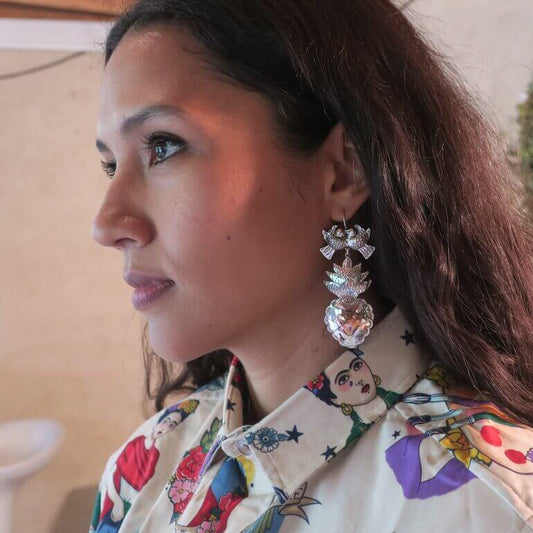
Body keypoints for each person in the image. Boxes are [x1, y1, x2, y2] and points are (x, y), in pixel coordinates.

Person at [89, 1, 533, 532]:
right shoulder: (141, 471)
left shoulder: (485, 506)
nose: (107, 224)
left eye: (163, 146)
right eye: (110, 165)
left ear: (345, 170)